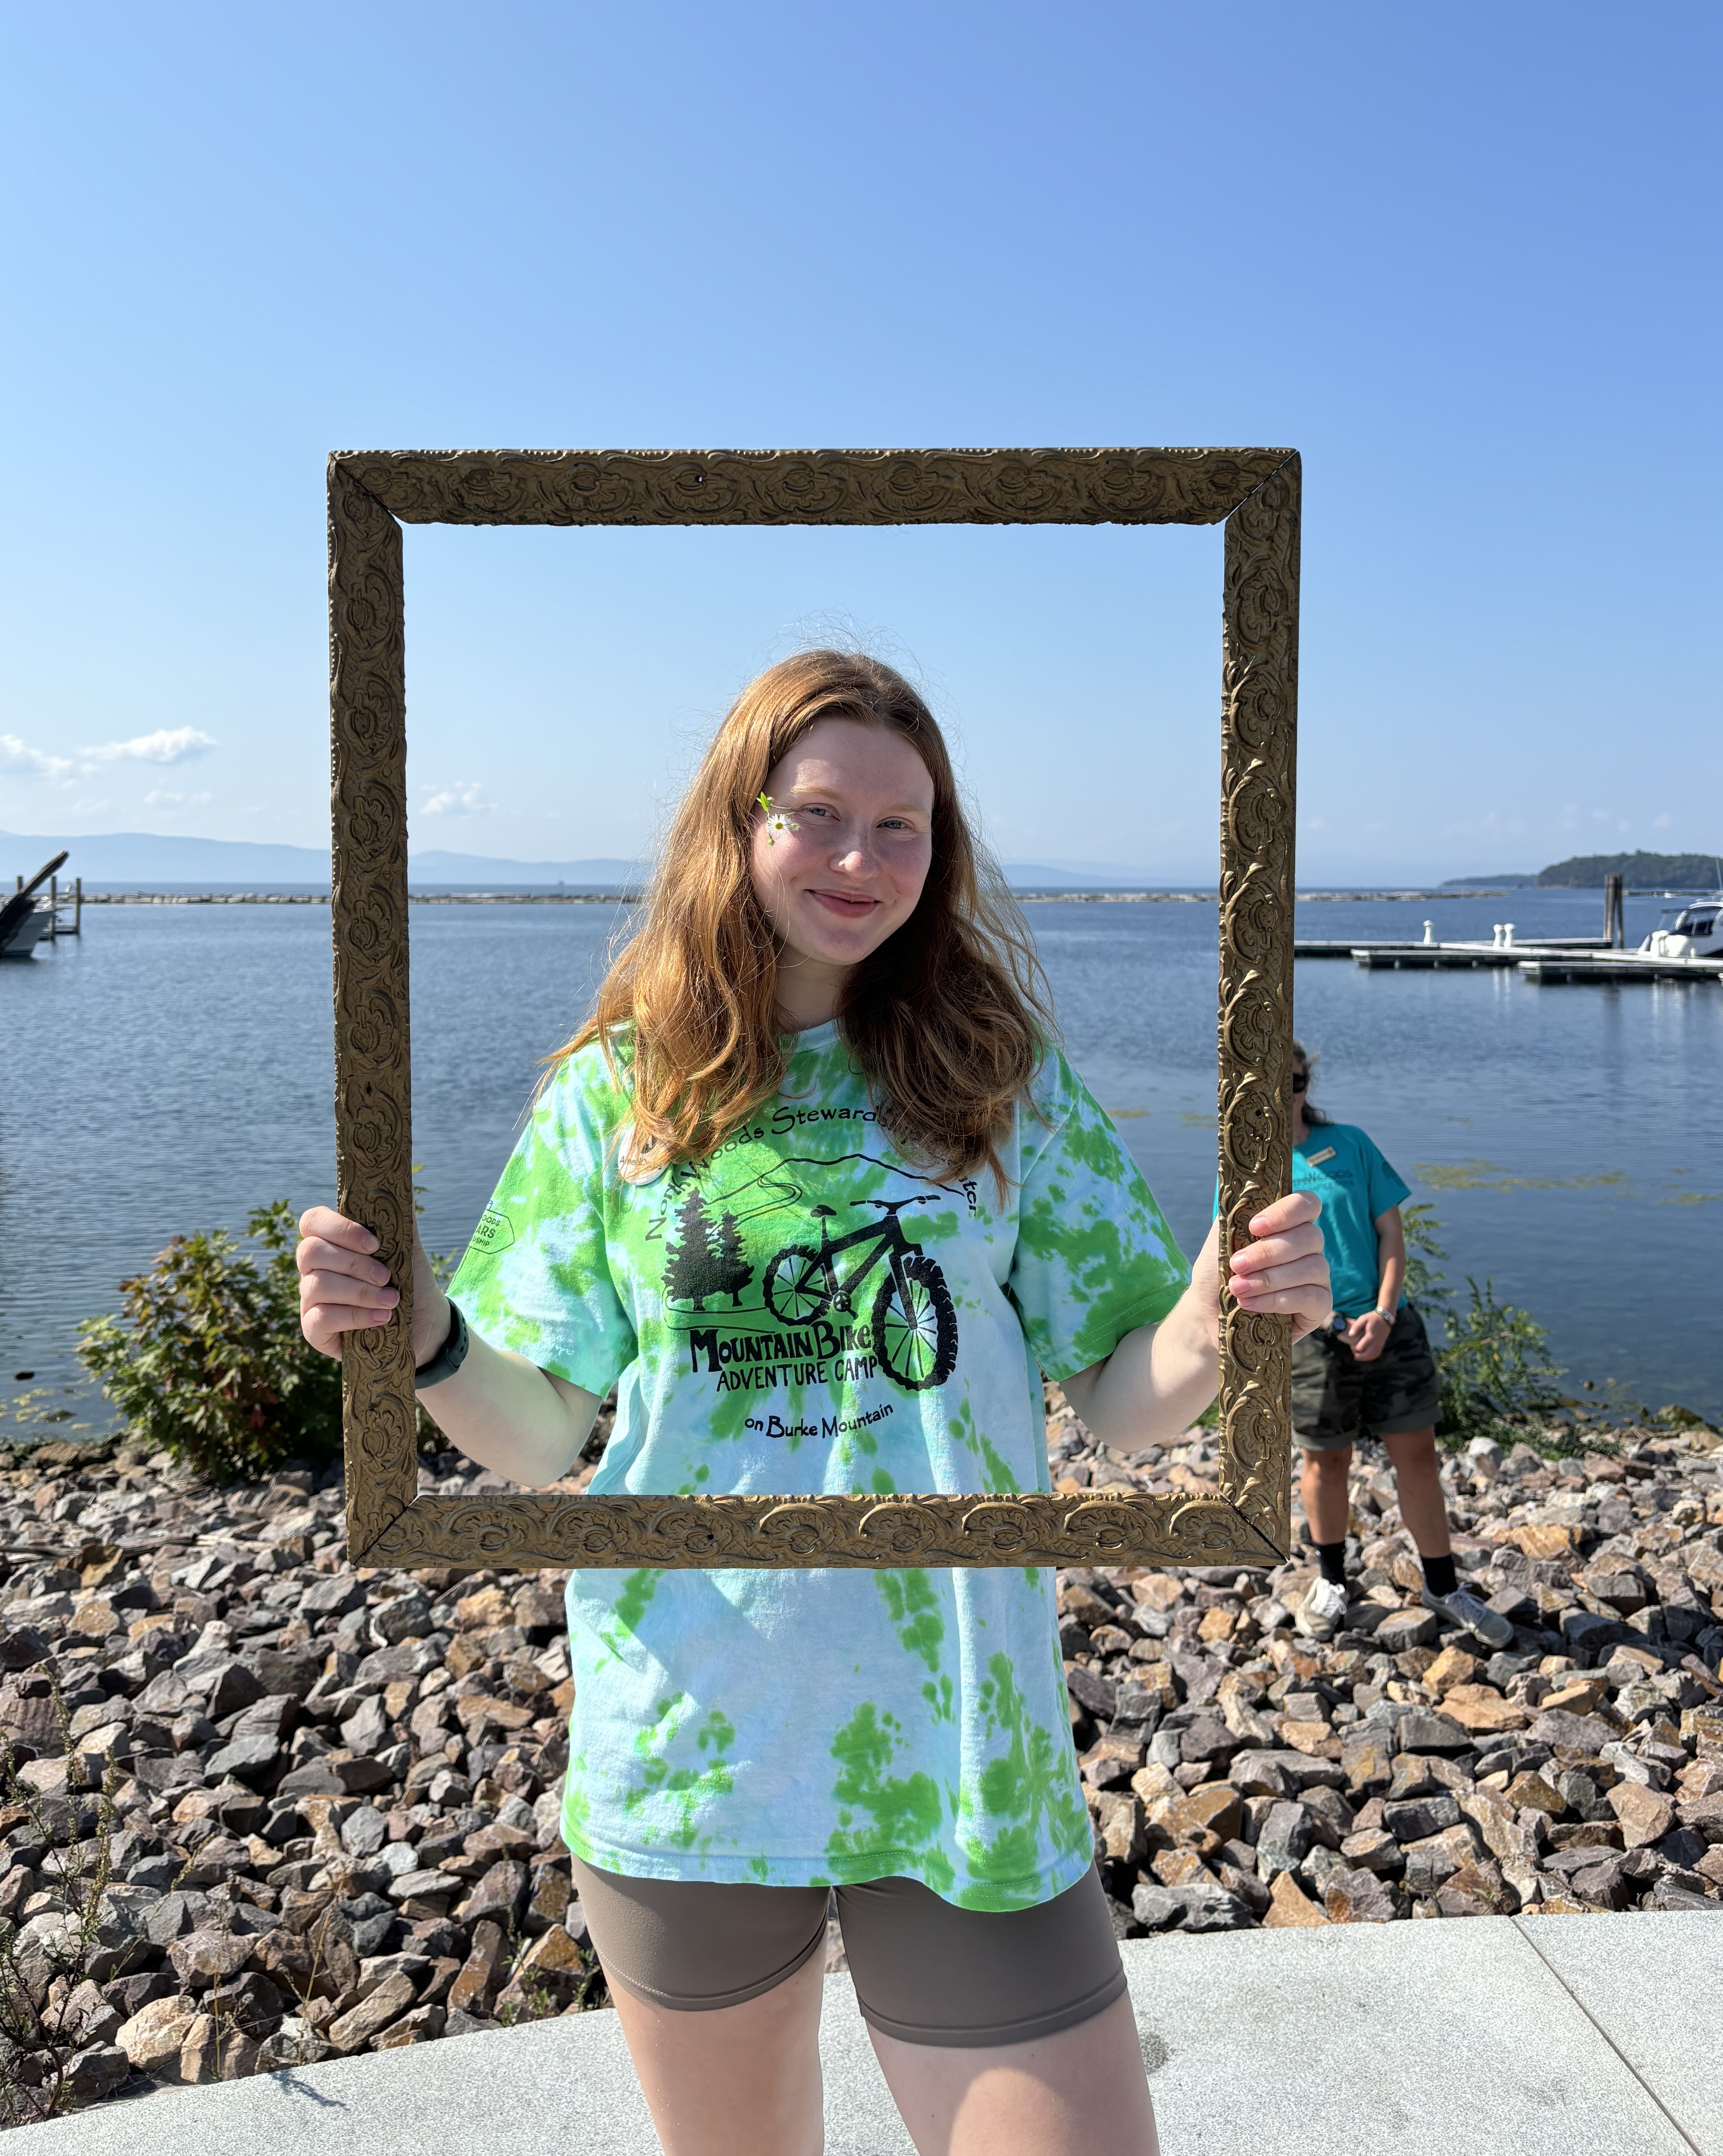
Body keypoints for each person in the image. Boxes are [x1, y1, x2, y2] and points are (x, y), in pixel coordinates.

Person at [296, 651, 1332, 2156]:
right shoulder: (616, 1094)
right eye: (818, 813)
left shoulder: (995, 1074)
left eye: (900, 826)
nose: (860, 859)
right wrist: (422, 1335)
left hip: (959, 1748)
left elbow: (1120, 1404)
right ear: (738, 822)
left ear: (941, 848)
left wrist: (1215, 1307)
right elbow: (538, 1435)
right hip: (692, 1740)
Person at [1285, 1040, 1510, 1650]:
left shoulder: (1353, 1144)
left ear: (1309, 1083)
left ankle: (1442, 1585)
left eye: (1298, 1080)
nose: (1288, 1092)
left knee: (1418, 1457)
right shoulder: (1249, 1164)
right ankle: (1331, 1580)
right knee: (1324, 1461)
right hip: (1311, 1335)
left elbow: (1390, 1233)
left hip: (1391, 1325)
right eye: (1274, 1082)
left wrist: (1383, 1313)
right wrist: (1330, 1322)